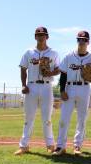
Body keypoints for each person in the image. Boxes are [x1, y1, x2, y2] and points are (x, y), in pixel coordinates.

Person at [15, 27, 60, 155]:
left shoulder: (53, 53)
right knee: (29, 117)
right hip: (32, 86)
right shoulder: (29, 52)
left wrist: (50, 72)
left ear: (47, 37)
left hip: (47, 86)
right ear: (35, 37)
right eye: (38, 35)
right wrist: (24, 85)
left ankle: (50, 145)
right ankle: (24, 146)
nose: (41, 37)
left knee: (47, 118)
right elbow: (23, 69)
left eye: (43, 35)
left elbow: (58, 69)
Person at [53, 31, 91, 156]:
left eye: (84, 39)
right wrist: (62, 90)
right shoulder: (69, 56)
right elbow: (63, 75)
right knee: (64, 119)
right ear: (77, 41)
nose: (81, 42)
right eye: (79, 39)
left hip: (84, 88)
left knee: (82, 119)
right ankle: (60, 146)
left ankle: (77, 146)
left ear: (88, 42)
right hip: (70, 88)